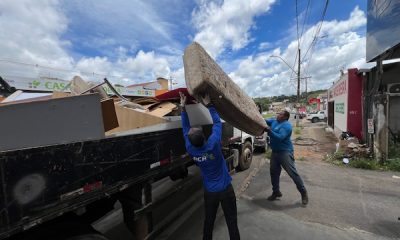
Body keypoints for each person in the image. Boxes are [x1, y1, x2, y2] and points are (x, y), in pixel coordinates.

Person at [179, 92, 240, 240]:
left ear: (190, 139)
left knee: (209, 222)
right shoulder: (212, 145)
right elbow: (217, 123)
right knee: (231, 221)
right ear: (204, 136)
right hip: (226, 189)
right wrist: (209, 105)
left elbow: (185, 128)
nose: (190, 130)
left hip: (210, 193)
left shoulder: (191, 149)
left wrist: (182, 108)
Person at [265, 110, 308, 205]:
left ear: (285, 117)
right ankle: (276, 192)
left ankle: (303, 192)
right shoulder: (274, 121)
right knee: (274, 173)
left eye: (280, 114)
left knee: (292, 173)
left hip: (285, 152)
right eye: (278, 113)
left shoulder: (287, 126)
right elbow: (263, 120)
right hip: (275, 152)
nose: (278, 115)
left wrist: (269, 131)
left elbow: (280, 137)